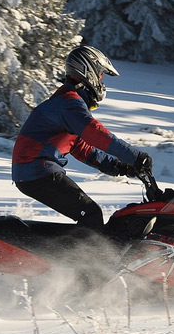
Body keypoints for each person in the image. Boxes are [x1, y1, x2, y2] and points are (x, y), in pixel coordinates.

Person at [11, 45, 152, 230]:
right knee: (91, 215)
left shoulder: (67, 102)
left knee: (89, 215)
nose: (102, 82)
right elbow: (95, 134)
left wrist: (120, 167)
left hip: (34, 171)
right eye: (101, 76)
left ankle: (69, 253)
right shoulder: (69, 103)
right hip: (37, 170)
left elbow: (82, 148)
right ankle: (75, 259)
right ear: (89, 71)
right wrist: (135, 156)